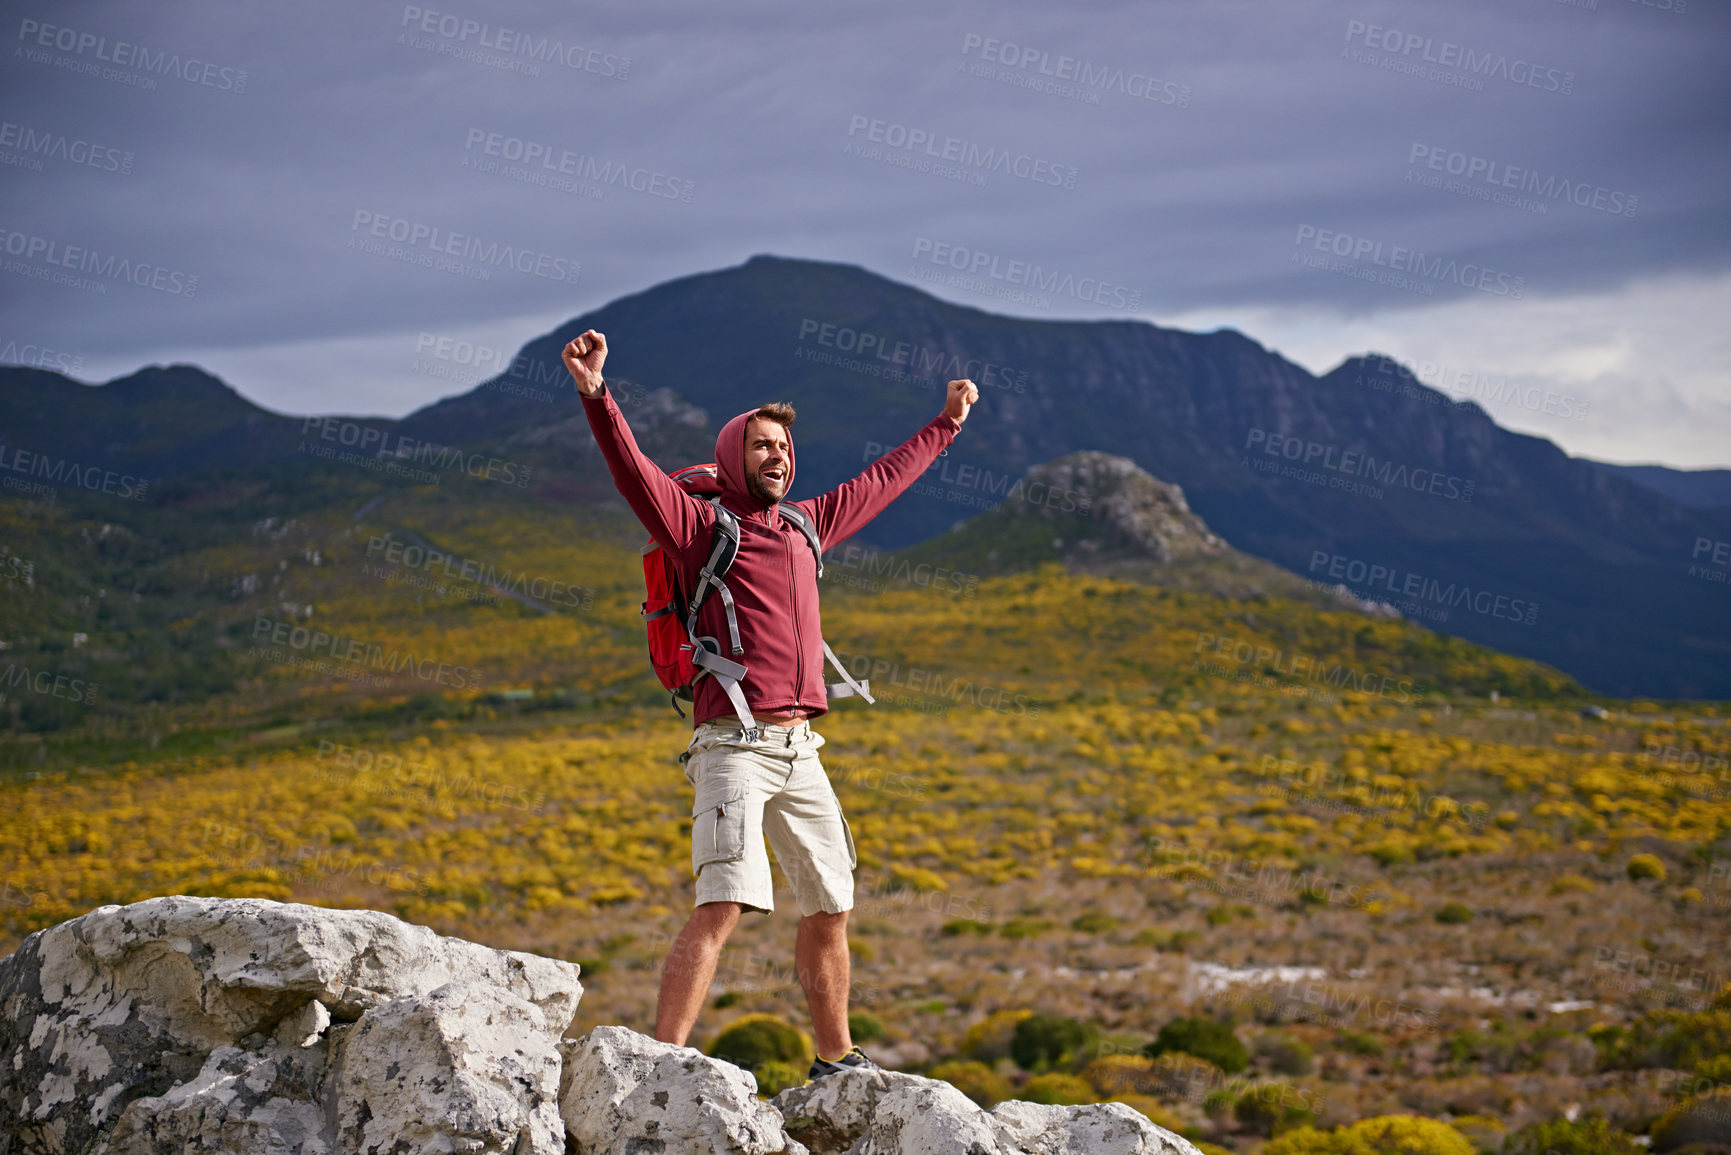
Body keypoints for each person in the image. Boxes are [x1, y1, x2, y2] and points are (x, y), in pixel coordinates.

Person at [562, 328, 979, 1078]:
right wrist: (598, 396)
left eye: (783, 447)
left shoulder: (804, 525)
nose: (776, 456)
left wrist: (945, 425)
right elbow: (635, 475)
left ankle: (835, 1057)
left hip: (800, 750)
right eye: (760, 446)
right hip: (731, 746)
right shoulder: (698, 528)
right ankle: (664, 1061)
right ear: (732, 455)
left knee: (830, 905)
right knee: (724, 903)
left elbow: (887, 477)